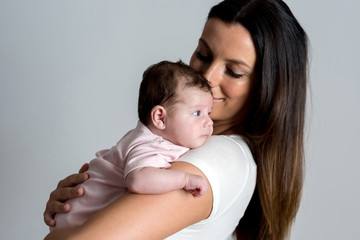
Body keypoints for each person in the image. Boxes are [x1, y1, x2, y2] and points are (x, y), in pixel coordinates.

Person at [44, 0, 308, 239]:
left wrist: (58, 235)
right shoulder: (189, 143)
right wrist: (84, 203)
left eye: (234, 72)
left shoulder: (218, 157)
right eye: (203, 55)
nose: (209, 77)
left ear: (267, 88)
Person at [50, 60, 214, 231]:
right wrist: (185, 179)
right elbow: (138, 180)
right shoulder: (148, 145)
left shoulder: (156, 138)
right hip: (78, 218)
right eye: (197, 113)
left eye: (209, 113)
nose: (208, 122)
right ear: (160, 118)